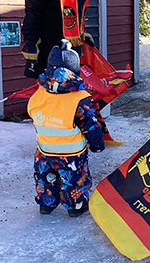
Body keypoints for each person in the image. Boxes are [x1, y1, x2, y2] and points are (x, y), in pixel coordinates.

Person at [27, 40, 105, 217]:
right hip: (72, 153)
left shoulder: (39, 92)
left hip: (44, 149)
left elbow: (32, 111)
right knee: (74, 180)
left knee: (45, 177)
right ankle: (75, 207)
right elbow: (89, 125)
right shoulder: (79, 98)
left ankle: (46, 205)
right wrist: (97, 143)